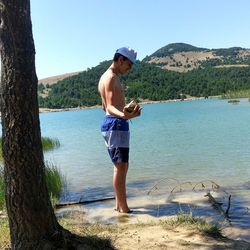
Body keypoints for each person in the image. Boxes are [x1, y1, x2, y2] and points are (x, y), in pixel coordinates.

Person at [98, 47, 141, 213]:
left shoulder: (109, 77)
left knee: (122, 165)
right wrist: (125, 116)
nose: (129, 69)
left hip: (115, 123)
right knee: (120, 166)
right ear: (121, 60)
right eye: (129, 65)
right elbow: (109, 107)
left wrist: (126, 111)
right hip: (115, 124)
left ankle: (118, 204)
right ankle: (124, 208)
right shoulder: (110, 77)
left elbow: (105, 107)